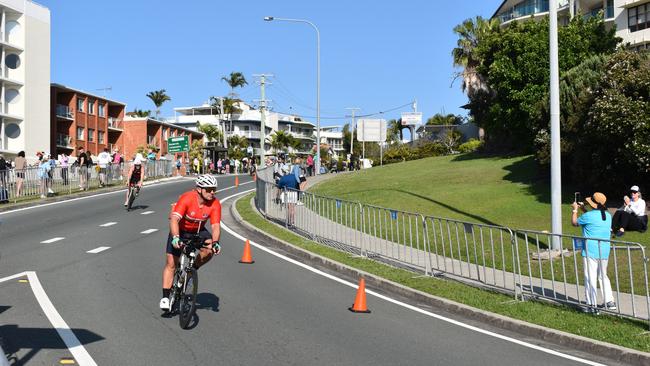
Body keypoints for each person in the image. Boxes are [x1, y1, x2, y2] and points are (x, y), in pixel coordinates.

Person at [160, 174, 222, 311]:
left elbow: (216, 226)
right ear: (199, 189)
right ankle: (165, 297)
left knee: (210, 249)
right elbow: (174, 220)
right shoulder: (187, 198)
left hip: (198, 230)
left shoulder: (215, 203)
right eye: (209, 189)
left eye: (214, 189)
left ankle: (192, 269)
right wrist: (176, 237)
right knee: (171, 263)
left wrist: (216, 242)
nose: (212, 192)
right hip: (180, 230)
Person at [571, 192, 616, 312]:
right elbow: (595, 219)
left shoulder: (589, 216)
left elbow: (574, 223)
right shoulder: (607, 215)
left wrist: (575, 210)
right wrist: (583, 209)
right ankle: (609, 301)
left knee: (590, 277)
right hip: (604, 250)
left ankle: (592, 305)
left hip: (590, 251)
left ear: (593, 203)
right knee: (603, 276)